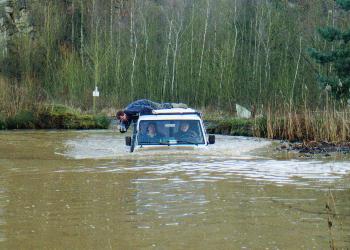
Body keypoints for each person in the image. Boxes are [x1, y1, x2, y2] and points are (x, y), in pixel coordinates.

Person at [116, 99, 187, 133]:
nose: (124, 119)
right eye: (122, 120)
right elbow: (124, 129)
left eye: (123, 118)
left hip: (147, 104)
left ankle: (177, 105)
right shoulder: (123, 119)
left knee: (160, 107)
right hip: (143, 107)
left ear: (124, 114)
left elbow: (143, 108)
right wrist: (121, 129)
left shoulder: (130, 110)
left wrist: (152, 111)